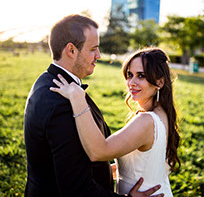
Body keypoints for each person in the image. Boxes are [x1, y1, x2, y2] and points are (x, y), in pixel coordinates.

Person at [23, 14, 163, 197]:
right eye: (93, 49)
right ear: (71, 50)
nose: (99, 55)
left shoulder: (47, 81)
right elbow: (78, 190)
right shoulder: (60, 103)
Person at [50, 48, 181, 197]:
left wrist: (77, 98)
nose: (131, 83)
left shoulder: (147, 121)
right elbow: (143, 165)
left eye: (141, 76)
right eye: (130, 75)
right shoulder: (163, 112)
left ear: (159, 82)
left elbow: (99, 152)